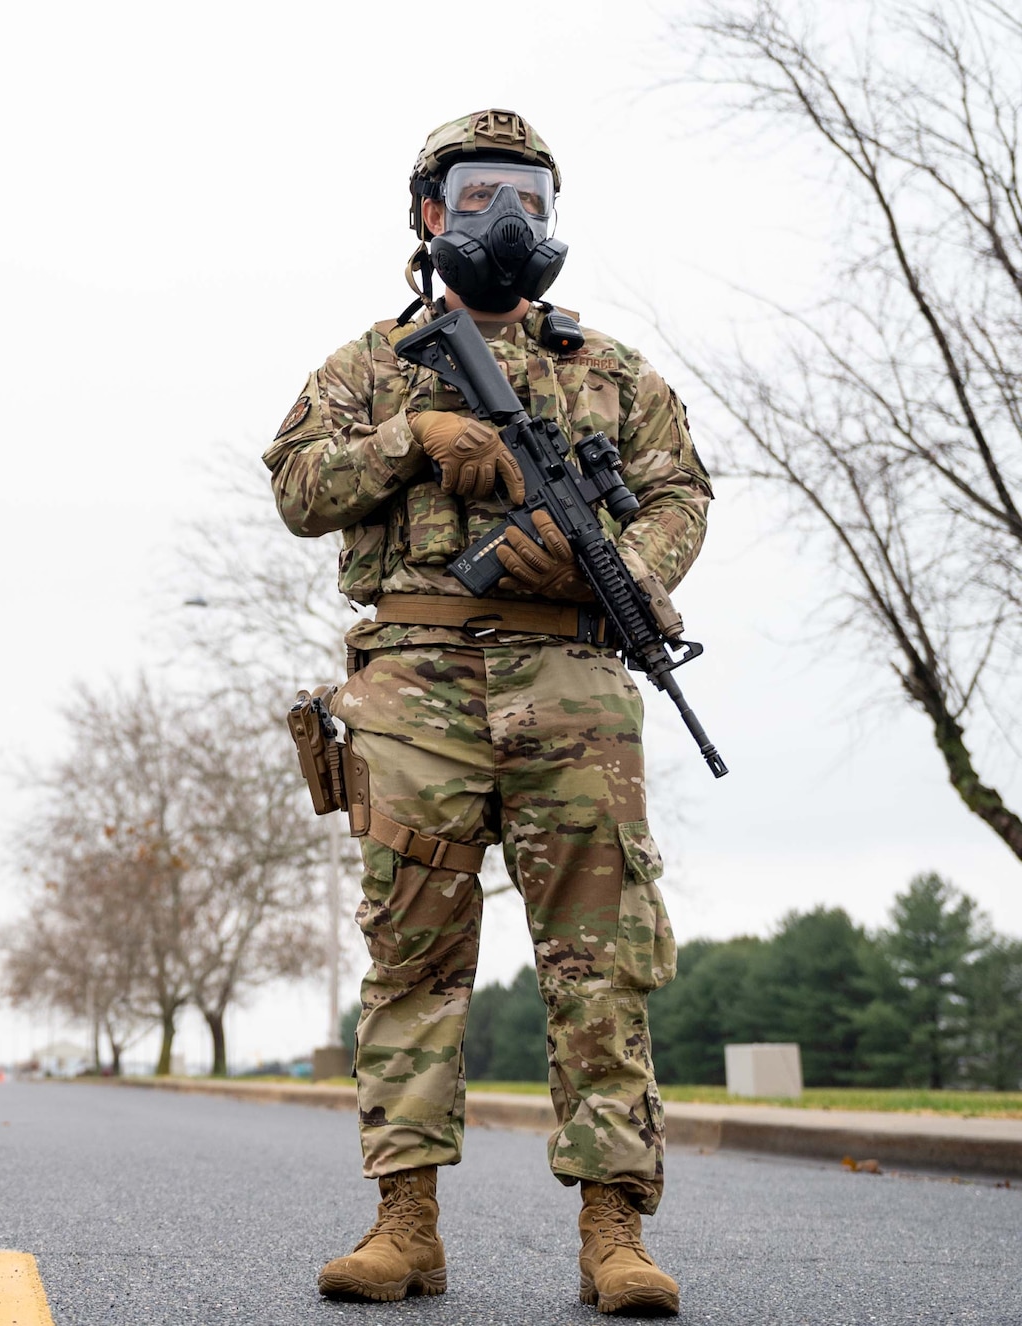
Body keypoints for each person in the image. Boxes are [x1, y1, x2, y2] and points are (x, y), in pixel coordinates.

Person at [263, 108, 709, 1317]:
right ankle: (403, 1228)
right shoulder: (368, 365)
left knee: (599, 964)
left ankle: (612, 1236)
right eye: (473, 195)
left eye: (525, 196)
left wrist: (611, 571)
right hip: (412, 680)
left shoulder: (610, 371)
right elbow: (297, 484)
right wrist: (412, 437)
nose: (503, 221)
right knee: (411, 956)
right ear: (425, 212)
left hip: (572, 685)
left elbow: (677, 493)